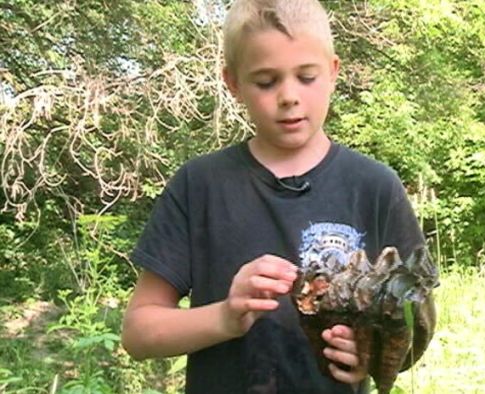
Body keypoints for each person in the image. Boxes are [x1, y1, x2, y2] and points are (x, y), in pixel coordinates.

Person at [121, 1, 434, 393]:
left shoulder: (374, 186)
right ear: (232, 83)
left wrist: (370, 357)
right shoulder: (198, 185)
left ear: (334, 72)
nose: (288, 96)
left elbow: (415, 317)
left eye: (306, 76)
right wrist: (225, 317)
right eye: (266, 81)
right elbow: (138, 332)